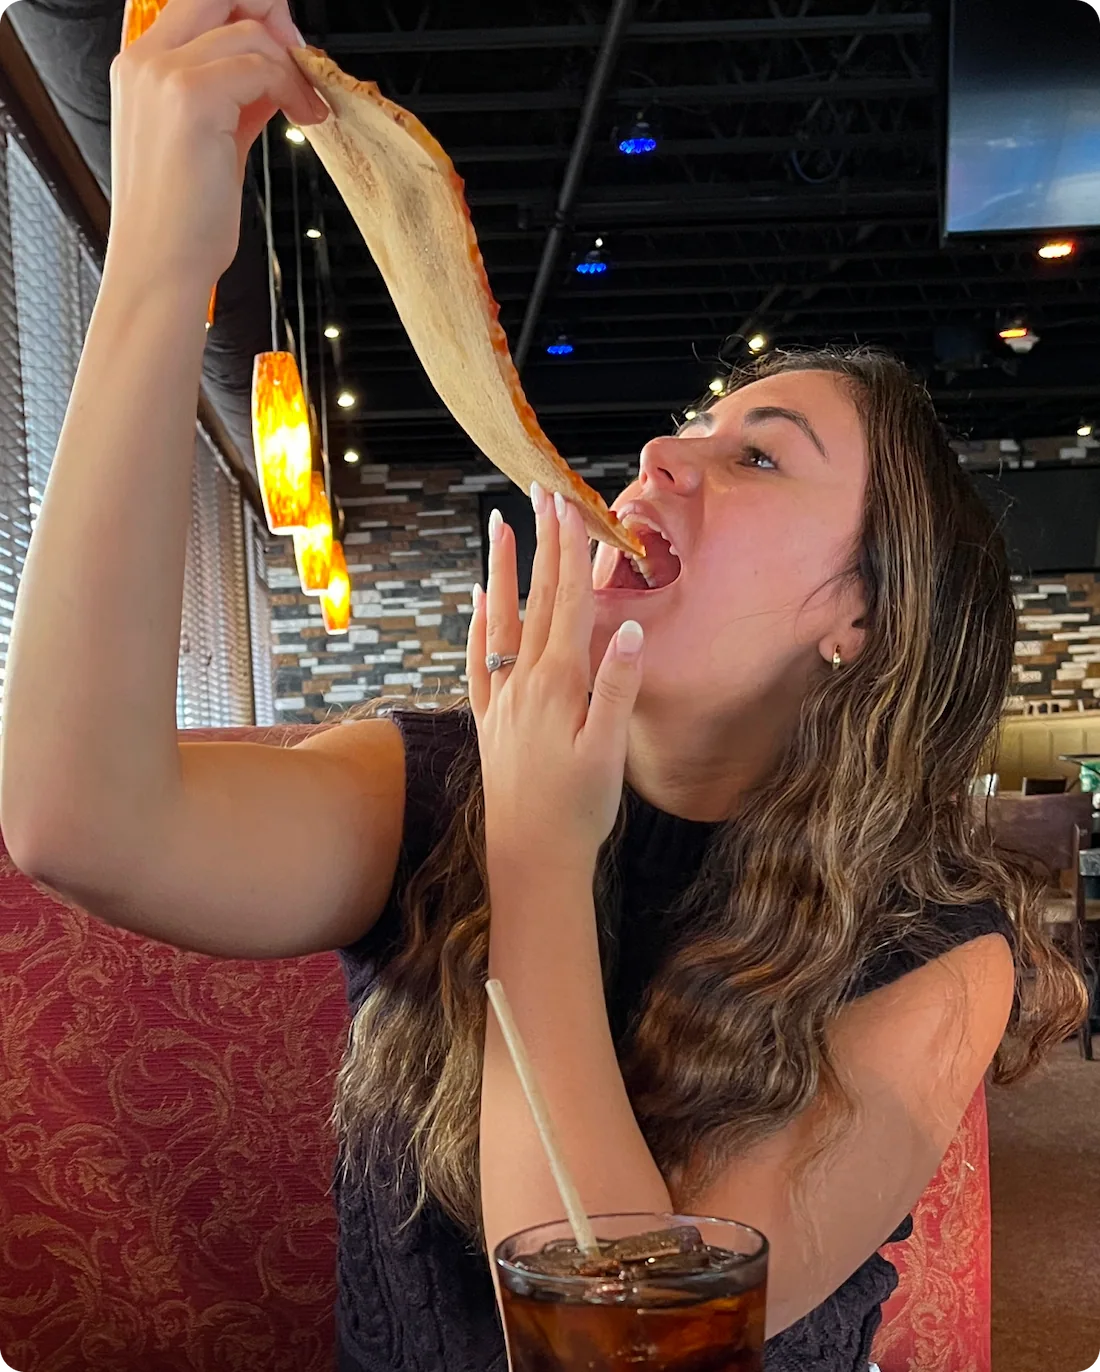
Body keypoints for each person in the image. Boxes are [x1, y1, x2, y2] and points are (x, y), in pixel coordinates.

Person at [0, 2, 1085, 1370]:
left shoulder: (932, 945)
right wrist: (160, 261)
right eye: (688, 429)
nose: (658, 454)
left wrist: (535, 854)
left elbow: (622, 1347)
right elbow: (73, 819)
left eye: (758, 457)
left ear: (860, 617)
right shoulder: (433, 786)